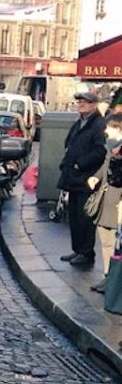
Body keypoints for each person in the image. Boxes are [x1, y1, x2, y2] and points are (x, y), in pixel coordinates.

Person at [59, 92, 107, 268]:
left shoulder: (99, 125)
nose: (80, 104)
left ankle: (86, 252)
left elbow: (100, 151)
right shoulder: (79, 123)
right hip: (73, 178)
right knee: (74, 216)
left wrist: (81, 164)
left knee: (85, 217)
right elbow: (69, 144)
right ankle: (78, 249)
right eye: (79, 101)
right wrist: (65, 164)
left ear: (94, 105)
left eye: (84, 102)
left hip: (87, 179)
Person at [93, 112, 122, 294]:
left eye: (109, 127)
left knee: (115, 243)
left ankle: (113, 279)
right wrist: (95, 178)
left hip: (117, 201)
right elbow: (104, 167)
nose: (106, 130)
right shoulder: (111, 147)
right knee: (105, 240)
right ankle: (106, 276)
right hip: (105, 197)